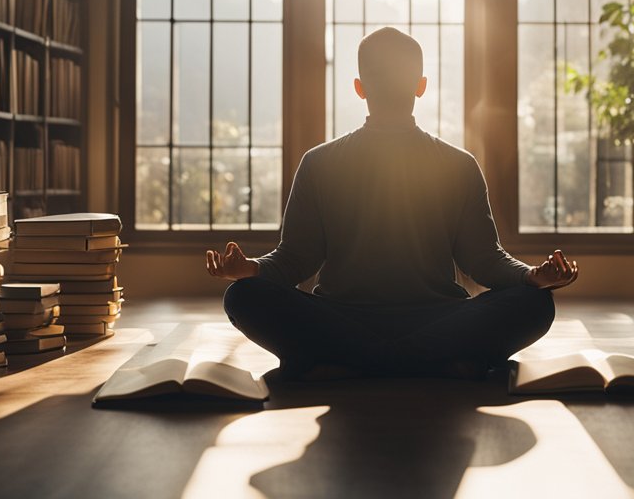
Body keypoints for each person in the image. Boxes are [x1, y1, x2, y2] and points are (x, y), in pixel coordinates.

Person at [205, 26, 578, 380]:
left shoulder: (454, 165)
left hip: (404, 320)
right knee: (243, 294)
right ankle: (432, 362)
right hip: (372, 319)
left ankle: (348, 362)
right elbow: (483, 260)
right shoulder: (322, 163)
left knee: (535, 301)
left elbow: (296, 259)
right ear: (421, 87)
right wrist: (250, 270)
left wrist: (531, 278)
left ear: (358, 88)